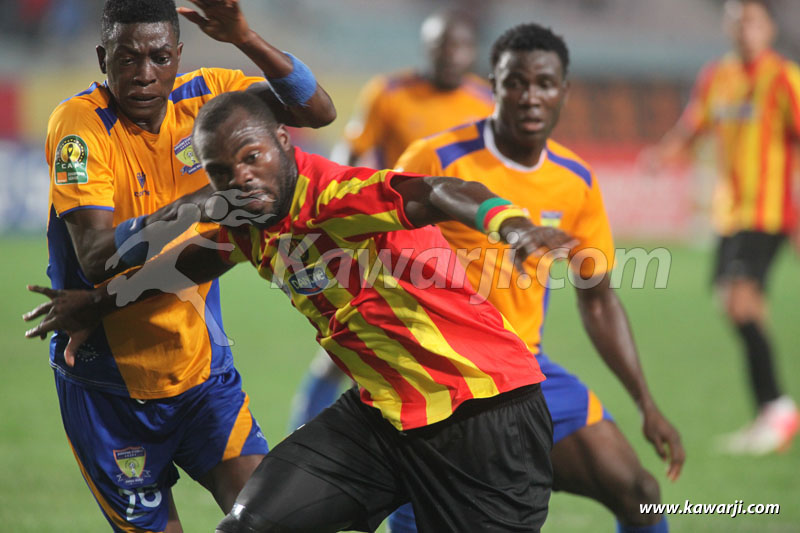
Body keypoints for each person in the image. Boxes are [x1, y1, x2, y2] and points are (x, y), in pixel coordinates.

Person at [25, 89, 577, 532]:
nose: (241, 177)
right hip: (384, 417)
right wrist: (98, 304)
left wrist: (511, 225)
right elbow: (192, 262)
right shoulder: (248, 224)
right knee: (251, 524)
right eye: (221, 171)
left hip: (482, 414)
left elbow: (436, 190)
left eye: (252, 157)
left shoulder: (339, 197)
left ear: (284, 144)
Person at [42, 0, 335, 530]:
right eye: (128, 59)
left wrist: (246, 38)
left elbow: (317, 112)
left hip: (202, 375)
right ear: (102, 57)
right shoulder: (79, 125)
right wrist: (205, 200)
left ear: (179, 54)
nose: (144, 74)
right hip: (110, 388)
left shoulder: (207, 93)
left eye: (159, 56)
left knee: (273, 520)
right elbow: (97, 257)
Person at [390, 23, 685, 533]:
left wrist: (646, 402)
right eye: (515, 83)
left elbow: (598, 300)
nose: (530, 97)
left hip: (525, 372)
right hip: (440, 376)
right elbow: (379, 255)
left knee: (641, 493)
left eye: (544, 83)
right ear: (494, 86)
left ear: (564, 92)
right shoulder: (435, 158)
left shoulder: (575, 181)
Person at [290, 8, 495, 429]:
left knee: (443, 358)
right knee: (358, 348)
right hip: (396, 245)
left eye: (459, 47)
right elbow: (348, 154)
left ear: (472, 51)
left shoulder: (484, 101)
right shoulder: (389, 93)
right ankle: (302, 436)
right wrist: (333, 207)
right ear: (427, 49)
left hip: (463, 255)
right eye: (441, 47)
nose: (450, 56)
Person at [645, 0, 800, 455]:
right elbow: (694, 127)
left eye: (752, 20)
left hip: (767, 212)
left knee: (738, 301)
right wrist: (663, 153)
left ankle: (777, 408)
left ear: (770, 27)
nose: (743, 28)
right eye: (736, 21)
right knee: (734, 303)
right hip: (727, 212)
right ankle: (770, 412)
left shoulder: (783, 78)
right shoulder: (718, 76)